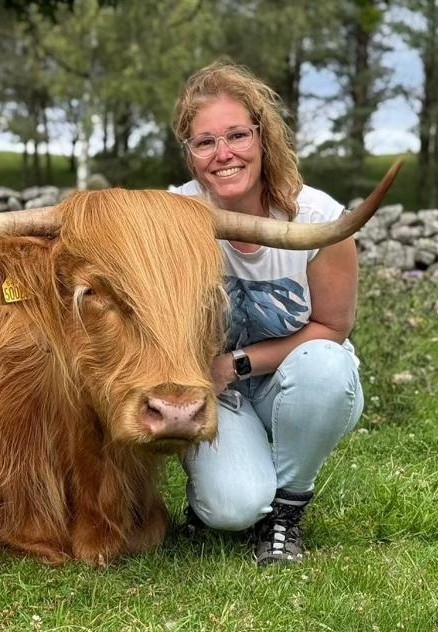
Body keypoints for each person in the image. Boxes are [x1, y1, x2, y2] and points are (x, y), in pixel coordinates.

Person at [169, 61, 364, 565]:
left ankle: (286, 508)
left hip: (292, 381)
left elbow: (332, 327)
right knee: (231, 508)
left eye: (237, 135)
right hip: (217, 396)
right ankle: (232, 496)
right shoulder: (171, 218)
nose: (224, 154)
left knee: (325, 364)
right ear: (190, 154)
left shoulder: (318, 218)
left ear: (262, 136)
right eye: (205, 142)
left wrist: (232, 364)